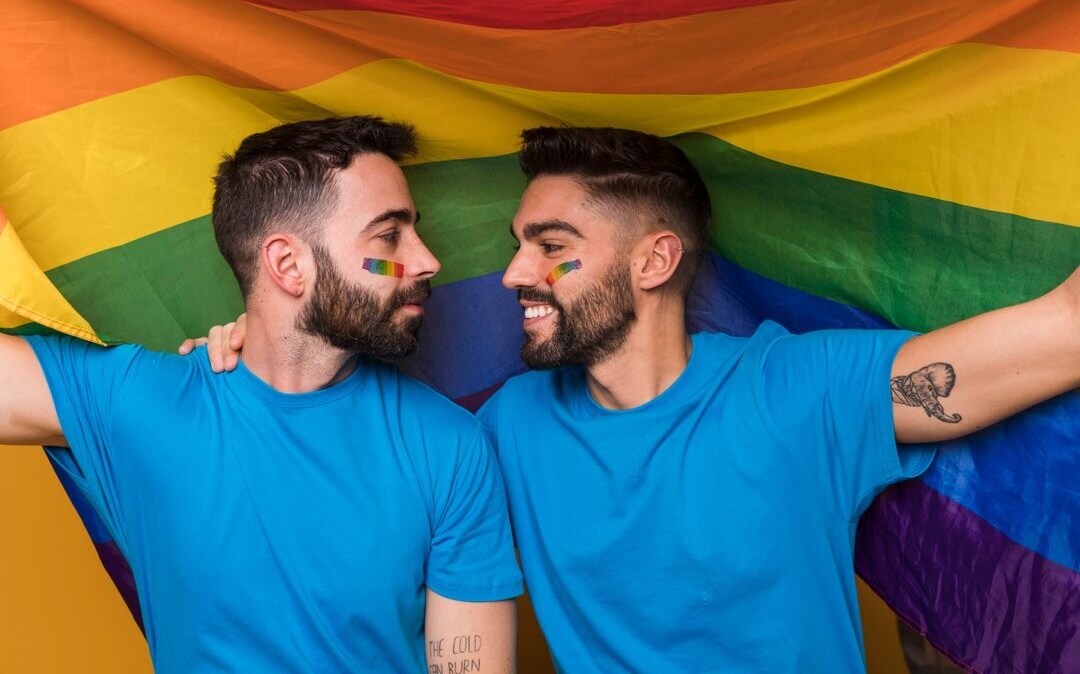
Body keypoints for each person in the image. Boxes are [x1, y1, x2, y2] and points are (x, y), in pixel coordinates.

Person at [195, 125, 1080, 673]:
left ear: (654, 262)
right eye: (518, 243)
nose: (512, 274)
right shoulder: (503, 434)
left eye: (553, 246)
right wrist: (250, 347)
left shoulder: (796, 392)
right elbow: (353, 461)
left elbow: (1062, 332)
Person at [0, 116, 522, 674]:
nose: (426, 261)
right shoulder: (135, 400)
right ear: (288, 265)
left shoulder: (452, 447)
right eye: (389, 236)